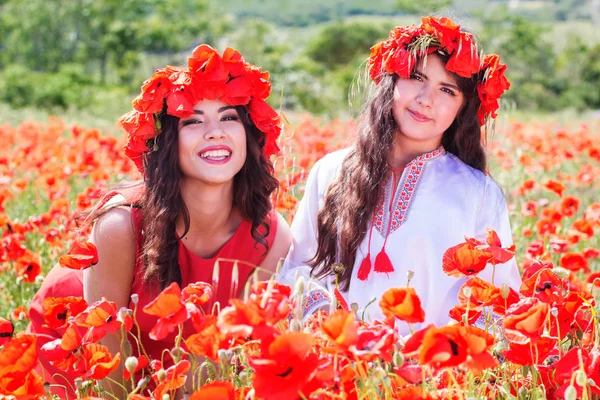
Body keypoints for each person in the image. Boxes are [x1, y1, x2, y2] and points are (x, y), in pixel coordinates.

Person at [27, 45, 292, 397]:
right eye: (193, 121)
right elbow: (107, 369)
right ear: (166, 143)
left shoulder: (270, 236)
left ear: (249, 134)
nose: (215, 132)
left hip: (177, 375)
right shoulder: (120, 226)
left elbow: (220, 362)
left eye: (229, 118)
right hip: (79, 356)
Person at [279, 16, 521, 330]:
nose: (426, 99)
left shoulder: (478, 193)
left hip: (435, 371)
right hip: (342, 365)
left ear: (463, 108)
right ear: (392, 81)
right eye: (416, 77)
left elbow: (498, 299)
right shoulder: (330, 172)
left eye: (447, 90)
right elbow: (299, 270)